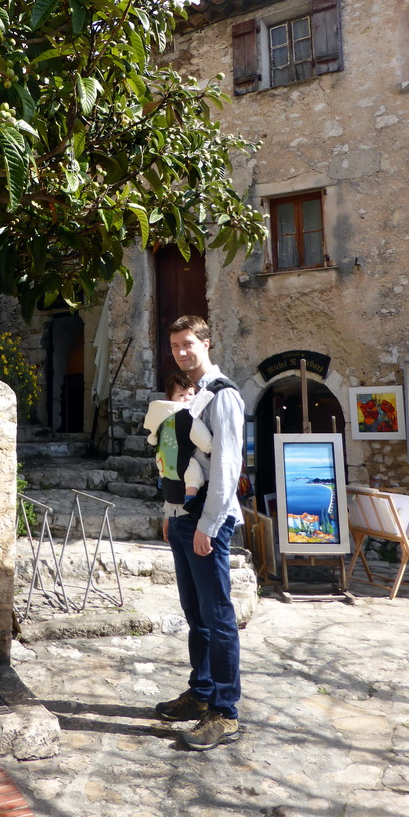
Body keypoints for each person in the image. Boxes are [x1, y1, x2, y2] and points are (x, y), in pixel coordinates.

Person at [154, 314, 245, 751]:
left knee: (219, 616)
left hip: (209, 520)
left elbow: (227, 468)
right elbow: (177, 457)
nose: (182, 352)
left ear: (207, 343)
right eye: (175, 346)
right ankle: (202, 691)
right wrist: (172, 511)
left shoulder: (223, 396)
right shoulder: (194, 396)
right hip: (184, 516)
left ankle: (225, 712)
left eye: (189, 343)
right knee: (196, 615)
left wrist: (208, 524)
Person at [142, 371, 213, 527]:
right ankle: (190, 500)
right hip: (182, 464)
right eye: (181, 395)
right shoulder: (187, 416)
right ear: (170, 399)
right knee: (193, 471)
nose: (187, 398)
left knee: (164, 466)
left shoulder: (162, 417)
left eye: (191, 394)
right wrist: (211, 447)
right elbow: (204, 441)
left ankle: (162, 480)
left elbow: (154, 437)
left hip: (165, 460)